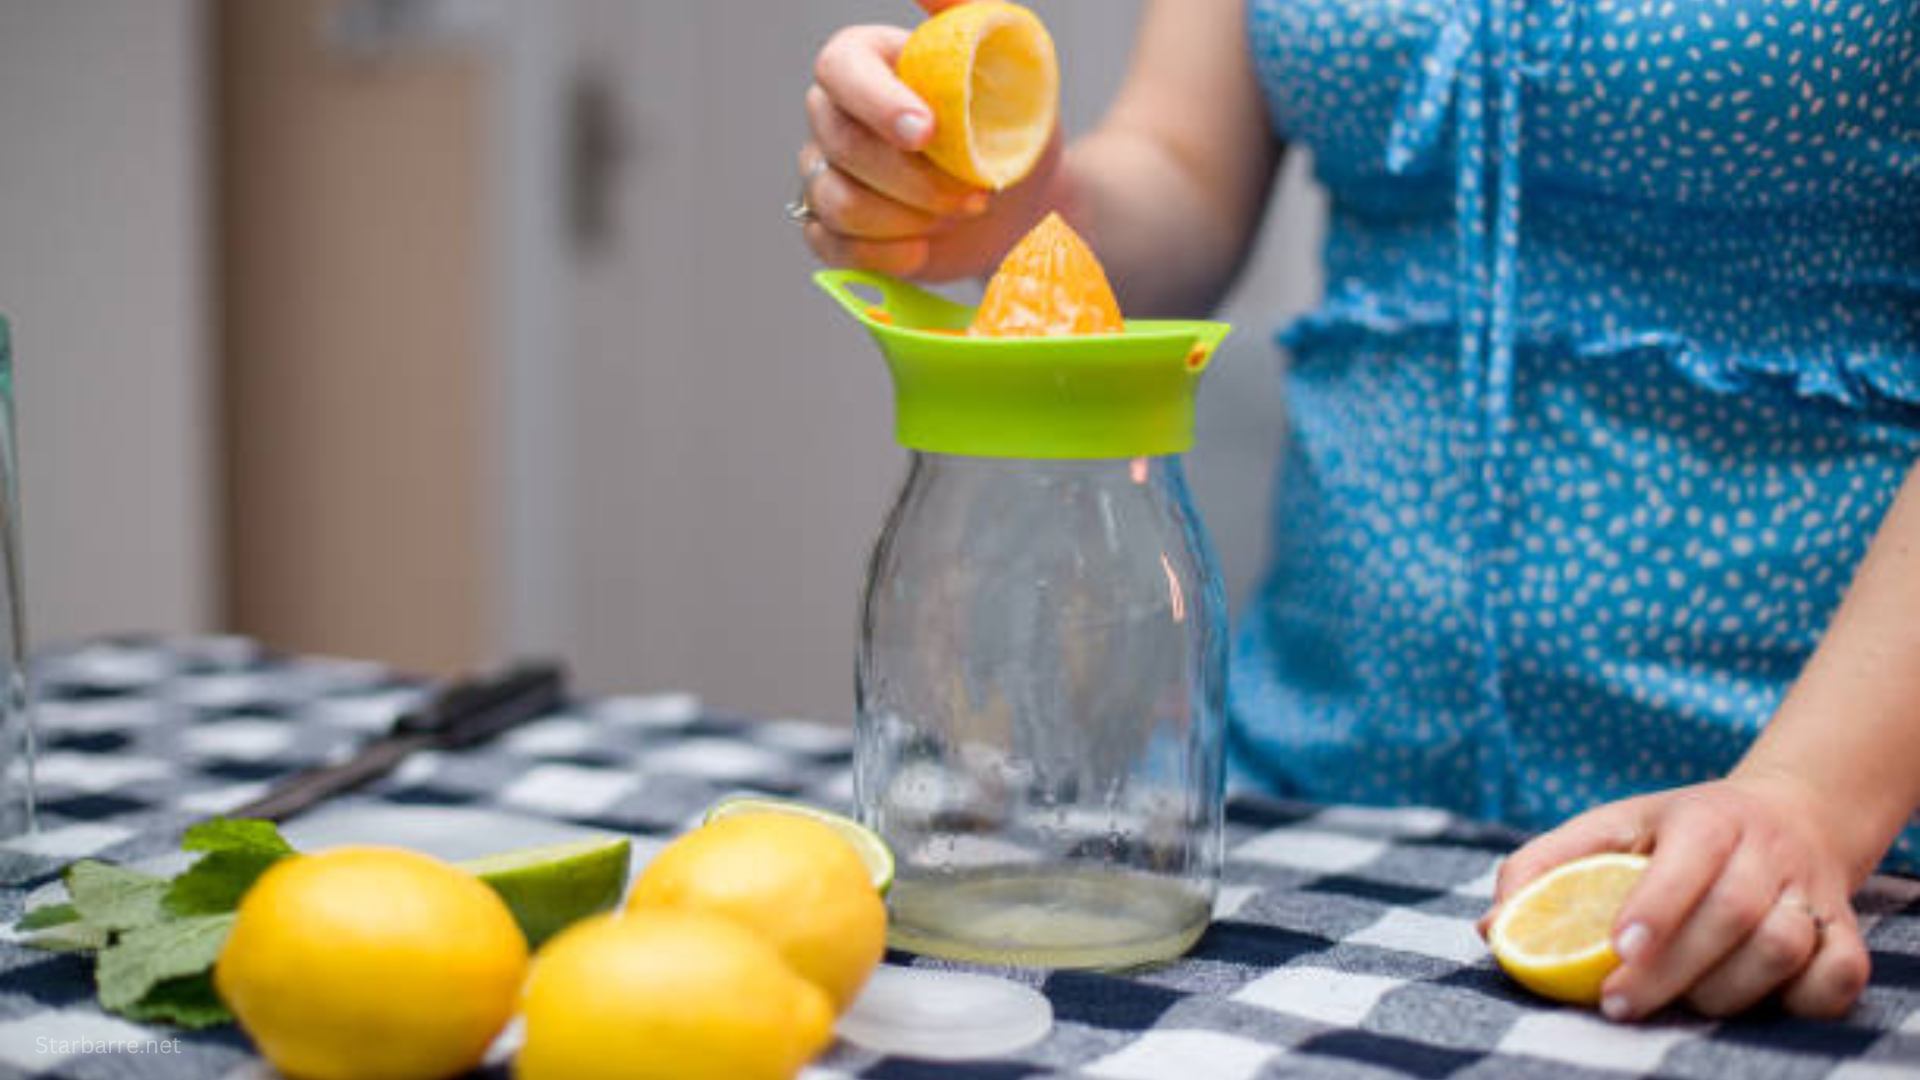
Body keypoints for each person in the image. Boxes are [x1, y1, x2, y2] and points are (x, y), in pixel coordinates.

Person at [794, 0, 1920, 1022]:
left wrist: (1806, 798)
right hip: (1321, 813)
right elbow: (1183, 169)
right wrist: (1026, 207)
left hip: (1822, 854)